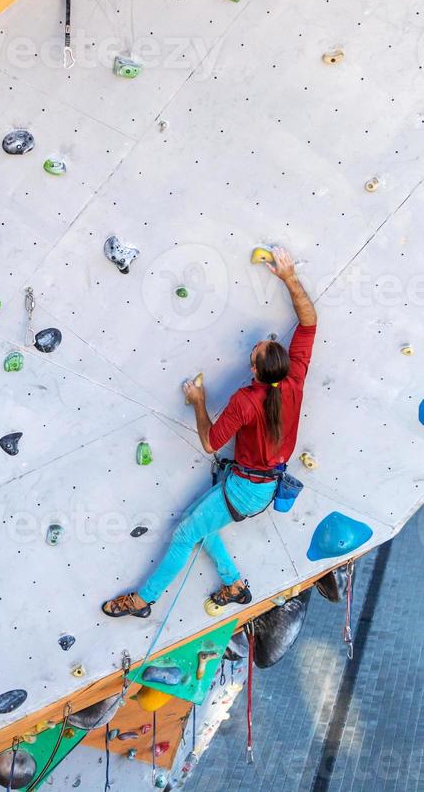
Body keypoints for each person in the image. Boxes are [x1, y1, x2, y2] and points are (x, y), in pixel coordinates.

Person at [102, 247, 317, 620]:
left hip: (246, 488)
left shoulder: (247, 400)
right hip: (255, 485)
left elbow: (210, 442)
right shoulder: (294, 376)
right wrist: (289, 277)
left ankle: (143, 600)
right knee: (198, 524)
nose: (256, 348)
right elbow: (309, 322)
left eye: (255, 351)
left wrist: (198, 401)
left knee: (186, 533)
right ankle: (233, 584)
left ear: (256, 369)